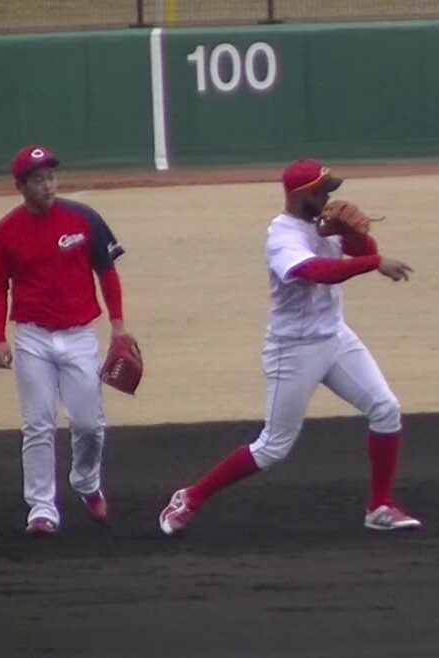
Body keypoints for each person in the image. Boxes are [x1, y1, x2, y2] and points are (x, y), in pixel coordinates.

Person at [158, 159, 421, 534]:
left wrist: (359, 239)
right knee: (272, 447)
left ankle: (379, 506)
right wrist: (373, 261)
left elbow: (359, 248)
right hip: (293, 350)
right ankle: (191, 497)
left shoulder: (324, 224)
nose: (330, 197)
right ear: (301, 195)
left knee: (385, 410)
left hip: (335, 337)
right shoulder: (282, 236)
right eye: (322, 191)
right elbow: (315, 272)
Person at [0, 145, 132, 535]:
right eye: (38, 180)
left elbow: (106, 271)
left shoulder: (83, 218)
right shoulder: (4, 233)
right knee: (38, 425)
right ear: (20, 185)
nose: (47, 186)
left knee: (89, 424)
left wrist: (119, 324)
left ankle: (86, 481)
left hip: (79, 336)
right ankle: (42, 509)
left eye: (50, 178)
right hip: (32, 338)